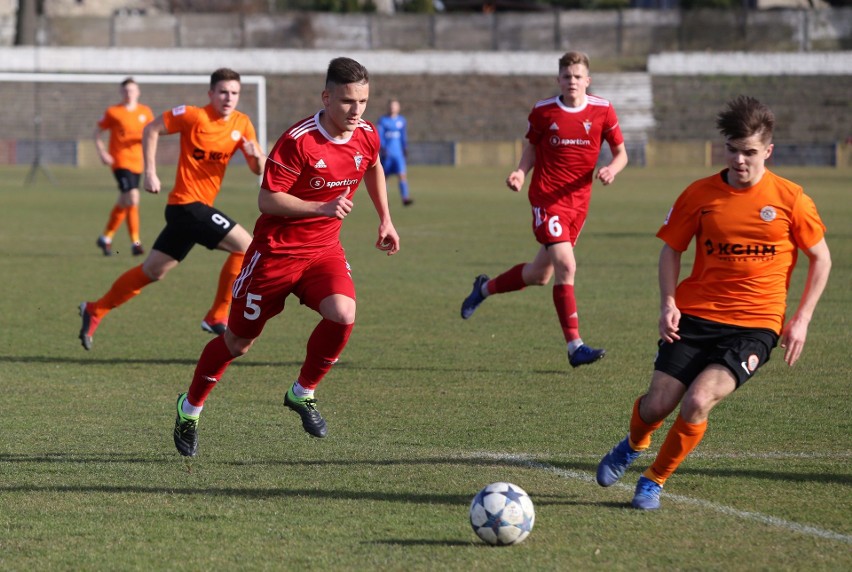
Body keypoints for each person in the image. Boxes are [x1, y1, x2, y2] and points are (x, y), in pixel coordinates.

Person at [595, 95, 831, 510]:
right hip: (694, 315)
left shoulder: (792, 199)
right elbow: (671, 249)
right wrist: (668, 302)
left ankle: (655, 479)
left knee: (698, 400)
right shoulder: (699, 193)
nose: (740, 161)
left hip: (756, 326)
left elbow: (821, 258)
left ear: (768, 151)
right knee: (657, 404)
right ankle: (634, 443)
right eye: (733, 150)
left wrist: (802, 318)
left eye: (750, 153)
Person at [172, 57, 400, 457]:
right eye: (347, 101)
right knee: (238, 342)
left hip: (323, 252)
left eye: (363, 101)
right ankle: (189, 409)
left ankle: (302, 393)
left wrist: (386, 219)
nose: (356, 110)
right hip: (274, 256)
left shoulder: (366, 134)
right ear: (327, 97)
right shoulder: (298, 140)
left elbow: (374, 167)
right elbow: (266, 199)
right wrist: (320, 208)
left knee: (343, 314)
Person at [459, 51, 628, 368]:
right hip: (547, 199)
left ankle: (483, 288)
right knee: (567, 265)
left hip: (579, 204)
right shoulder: (544, 111)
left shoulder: (603, 110)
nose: (572, 81)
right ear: (559, 80)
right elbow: (532, 148)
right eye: (567, 76)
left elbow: (621, 153)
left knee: (540, 274)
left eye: (578, 76)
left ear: (587, 80)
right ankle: (575, 346)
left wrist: (612, 170)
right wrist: (520, 173)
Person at [78, 68, 266, 350]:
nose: (229, 98)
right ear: (211, 94)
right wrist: (151, 173)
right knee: (247, 246)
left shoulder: (243, 123)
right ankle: (217, 315)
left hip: (196, 210)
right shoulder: (193, 115)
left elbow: (257, 170)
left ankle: (96, 309)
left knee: (153, 271)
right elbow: (151, 128)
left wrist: (257, 156)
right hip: (186, 205)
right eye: (223, 92)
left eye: (234, 93)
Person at [92, 77, 154, 257]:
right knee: (133, 197)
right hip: (120, 161)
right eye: (126, 91)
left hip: (138, 162)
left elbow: (151, 134)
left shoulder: (145, 112)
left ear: (138, 92)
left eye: (132, 90)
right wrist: (102, 152)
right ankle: (136, 243)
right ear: (121, 92)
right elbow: (97, 132)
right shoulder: (114, 112)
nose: (129, 94)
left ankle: (105, 238)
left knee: (126, 200)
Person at [377, 98, 413, 206]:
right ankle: (384, 200)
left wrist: (405, 147)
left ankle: (405, 198)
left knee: (402, 175)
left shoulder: (401, 121)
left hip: (398, 154)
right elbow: (380, 136)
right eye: (391, 106)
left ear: (398, 108)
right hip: (387, 154)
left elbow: (403, 136)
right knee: (384, 178)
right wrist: (382, 148)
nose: (393, 108)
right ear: (388, 107)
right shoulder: (383, 121)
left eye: (395, 106)